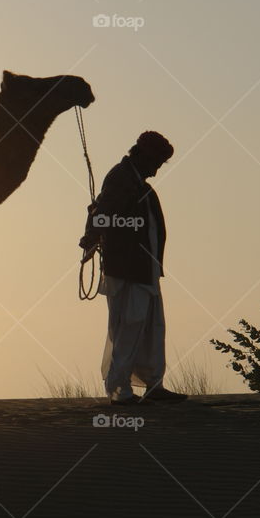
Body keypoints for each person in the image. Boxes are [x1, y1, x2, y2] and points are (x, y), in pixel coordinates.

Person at [79, 131, 187, 405]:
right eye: (156, 162)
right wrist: (91, 236)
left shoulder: (141, 186)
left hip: (145, 269)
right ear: (143, 156)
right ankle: (119, 389)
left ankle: (153, 384)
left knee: (151, 326)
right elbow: (103, 212)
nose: (157, 169)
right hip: (126, 268)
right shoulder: (120, 178)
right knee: (128, 325)